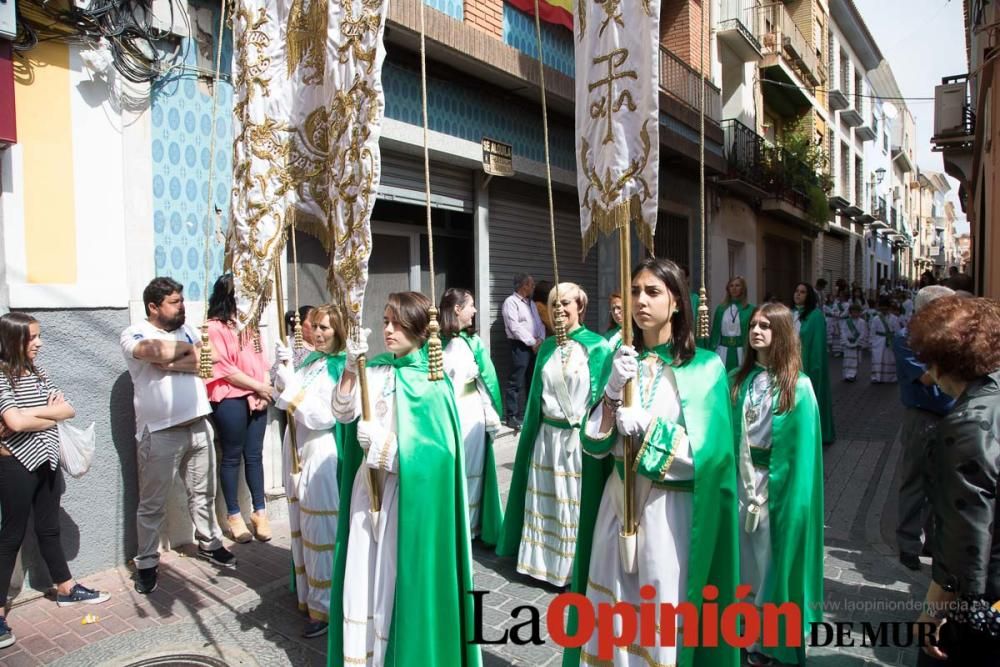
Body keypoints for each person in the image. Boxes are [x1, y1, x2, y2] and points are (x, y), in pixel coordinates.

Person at [563, 258, 739, 667]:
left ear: (676, 302)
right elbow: (593, 447)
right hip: (616, 503)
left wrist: (648, 429)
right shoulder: (620, 360)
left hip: (668, 514)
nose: (640, 300)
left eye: (653, 292)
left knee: (658, 609)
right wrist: (609, 393)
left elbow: (710, 460)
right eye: (635, 291)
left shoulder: (706, 368)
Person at [328, 292, 480, 667]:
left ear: (417, 326)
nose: (388, 329)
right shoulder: (376, 368)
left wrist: (386, 447)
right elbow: (342, 410)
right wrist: (350, 368)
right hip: (367, 493)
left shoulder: (432, 381)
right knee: (361, 578)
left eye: (397, 322)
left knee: (393, 585)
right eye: (385, 321)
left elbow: (440, 457)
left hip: (405, 499)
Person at [0, 314, 110, 650]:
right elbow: (13, 421)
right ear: (13, 339)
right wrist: (41, 414)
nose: (39, 342)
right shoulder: (2, 376)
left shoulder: (36, 371)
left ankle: (65, 588)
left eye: (39, 336)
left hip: (47, 460)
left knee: (49, 528)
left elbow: (67, 411)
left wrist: (30, 416)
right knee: (11, 536)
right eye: (32, 337)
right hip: (16, 465)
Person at [121, 277, 235, 595]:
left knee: (203, 493)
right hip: (159, 432)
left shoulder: (185, 330)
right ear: (153, 307)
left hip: (198, 423)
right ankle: (146, 562)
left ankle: (210, 543)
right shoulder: (133, 332)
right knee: (152, 503)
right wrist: (187, 354)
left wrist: (170, 362)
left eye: (182, 300)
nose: (181, 306)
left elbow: (206, 363)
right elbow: (149, 350)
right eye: (174, 302)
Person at [497, 283, 612, 587]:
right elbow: (537, 396)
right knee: (545, 501)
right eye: (553, 304)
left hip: (576, 440)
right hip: (546, 437)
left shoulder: (598, 346)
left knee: (570, 502)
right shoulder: (547, 346)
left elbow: (602, 400)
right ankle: (541, 566)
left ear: (581, 307)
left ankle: (571, 570)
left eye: (565, 304)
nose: (559, 310)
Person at [730, 302, 823, 666]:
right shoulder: (737, 379)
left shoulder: (799, 388)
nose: (756, 331)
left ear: (781, 333)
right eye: (753, 324)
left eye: (766, 326)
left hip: (775, 489)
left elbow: (804, 456)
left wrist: (791, 501)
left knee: (770, 563)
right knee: (744, 562)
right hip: (741, 481)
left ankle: (767, 644)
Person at [909, 297, 1000, 665]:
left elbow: (964, 539)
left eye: (930, 364)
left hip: (985, 598)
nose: (928, 375)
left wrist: (932, 612)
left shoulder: (964, 427)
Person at [273, 305, 352, 638]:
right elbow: (285, 397)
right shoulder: (311, 362)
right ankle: (308, 595)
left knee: (320, 528)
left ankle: (325, 607)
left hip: (321, 452)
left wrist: (289, 384)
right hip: (298, 446)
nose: (317, 333)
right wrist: (284, 369)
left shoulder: (340, 368)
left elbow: (322, 416)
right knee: (301, 524)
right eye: (315, 326)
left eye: (326, 329)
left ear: (340, 333)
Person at [204, 274, 274, 543]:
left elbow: (263, 362)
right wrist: (258, 387)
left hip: (258, 395)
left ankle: (260, 512)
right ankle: (233, 515)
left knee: (254, 456)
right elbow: (225, 369)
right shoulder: (213, 328)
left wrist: (264, 390)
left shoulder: (251, 326)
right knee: (232, 455)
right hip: (229, 396)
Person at [892, 286, 957, 571]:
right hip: (922, 415)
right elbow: (928, 379)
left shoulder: (949, 336)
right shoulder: (905, 338)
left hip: (951, 413)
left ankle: (934, 541)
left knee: (943, 482)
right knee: (914, 481)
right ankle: (908, 544)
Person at [440, 288, 504, 545]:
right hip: (444, 413)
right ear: (457, 309)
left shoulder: (473, 342)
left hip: (469, 411)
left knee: (472, 469)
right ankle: (450, 522)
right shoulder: (433, 342)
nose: (475, 311)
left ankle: (470, 525)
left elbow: (486, 382)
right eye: (471, 306)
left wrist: (490, 412)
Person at [792, 283, 835, 445]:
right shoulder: (791, 313)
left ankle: (814, 432)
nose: (798, 294)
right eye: (796, 291)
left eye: (802, 292)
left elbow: (818, 345)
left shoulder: (816, 316)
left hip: (807, 362)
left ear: (809, 296)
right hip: (791, 361)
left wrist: (814, 367)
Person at [502, 273, 545, 431]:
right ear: (522, 285)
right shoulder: (511, 302)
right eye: (531, 284)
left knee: (532, 380)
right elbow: (514, 327)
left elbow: (539, 323)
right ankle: (512, 416)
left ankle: (529, 413)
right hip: (520, 346)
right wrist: (533, 342)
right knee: (515, 381)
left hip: (535, 345)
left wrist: (540, 338)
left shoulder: (531, 303)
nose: (533, 287)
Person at [709, 276, 754, 371]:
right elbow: (715, 333)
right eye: (731, 286)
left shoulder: (750, 310)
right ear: (728, 289)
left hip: (741, 351)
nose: (734, 288)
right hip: (723, 351)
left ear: (743, 288)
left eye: (737, 285)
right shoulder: (721, 309)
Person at [869, 297, 899, 384]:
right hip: (878, 342)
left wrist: (897, 343)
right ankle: (877, 377)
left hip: (890, 341)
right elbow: (872, 332)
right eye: (882, 309)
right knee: (878, 358)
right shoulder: (876, 318)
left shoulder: (894, 318)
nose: (884, 311)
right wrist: (871, 343)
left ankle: (890, 378)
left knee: (889, 359)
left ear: (889, 308)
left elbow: (897, 332)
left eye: (886, 309)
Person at [840, 303, 868, 383]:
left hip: (856, 343)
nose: (855, 314)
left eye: (857, 312)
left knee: (855, 360)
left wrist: (857, 343)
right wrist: (846, 342)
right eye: (853, 312)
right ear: (850, 312)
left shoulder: (862, 322)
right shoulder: (846, 322)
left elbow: (863, 333)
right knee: (847, 360)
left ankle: (852, 375)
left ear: (860, 312)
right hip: (848, 343)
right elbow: (843, 332)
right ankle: (846, 375)